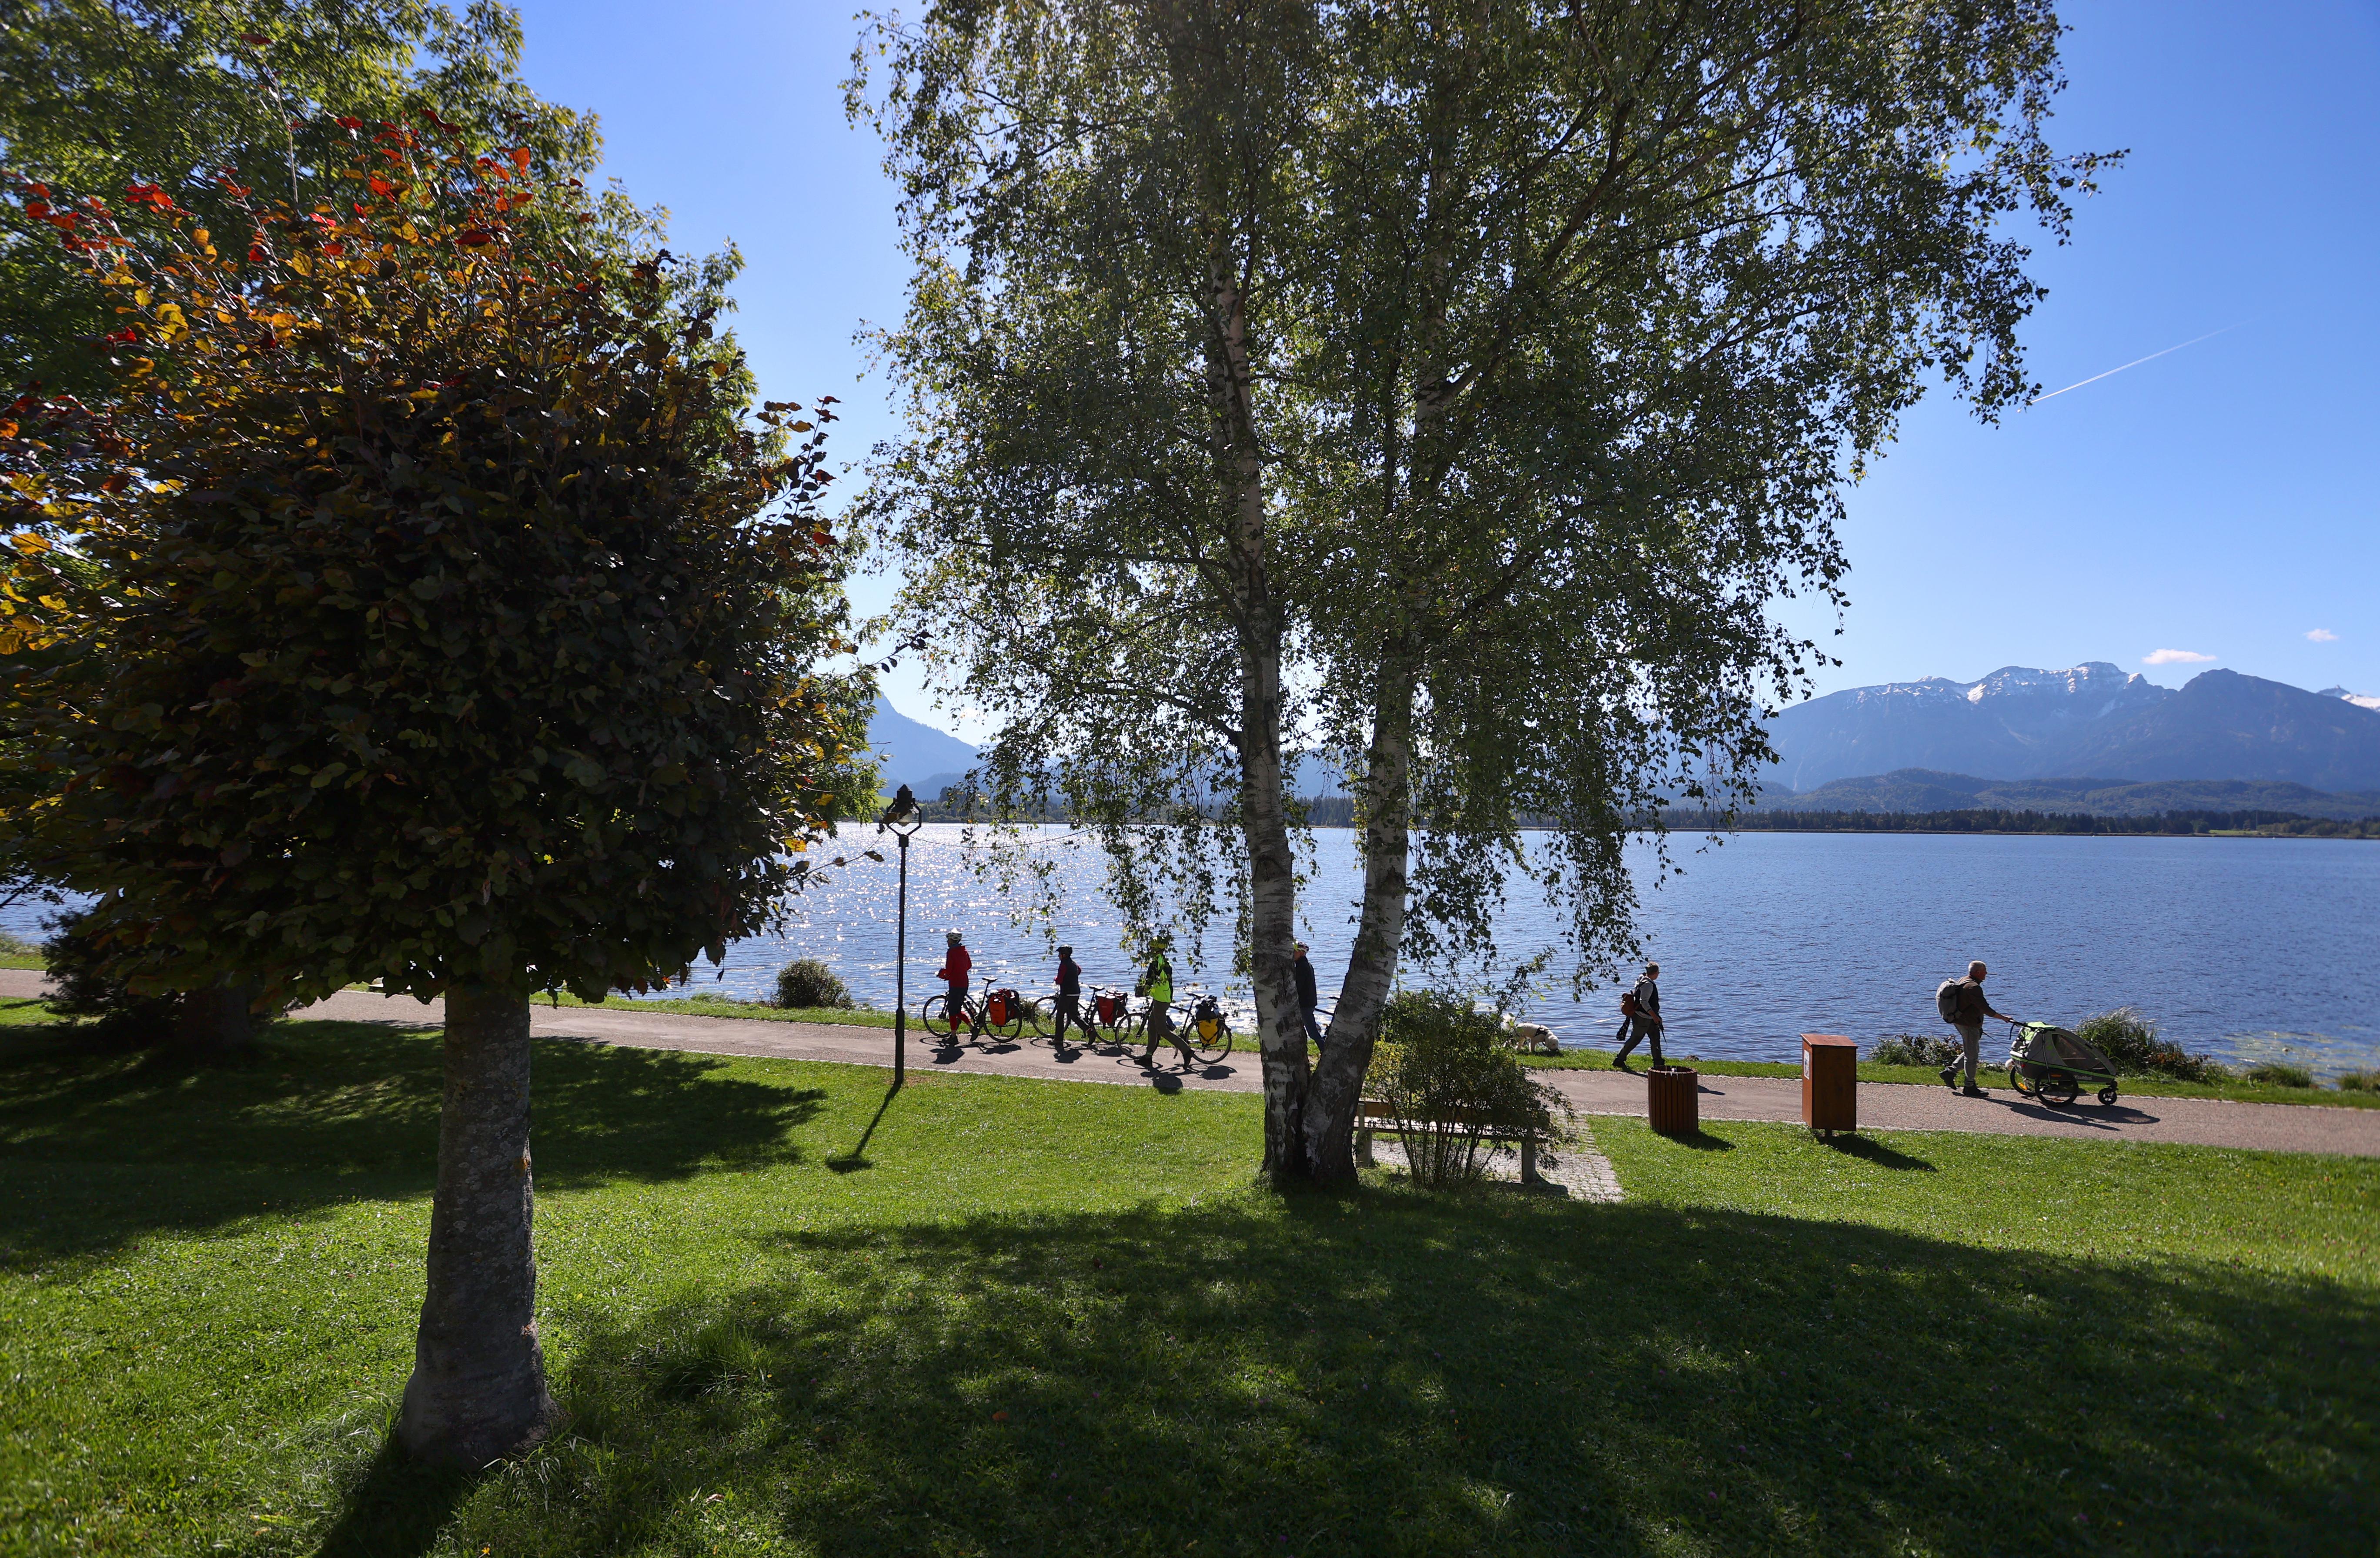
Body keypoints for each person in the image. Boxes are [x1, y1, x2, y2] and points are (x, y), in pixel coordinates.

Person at [1941, 960, 2016, 1096]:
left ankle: (1950, 1073)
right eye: (1985, 971)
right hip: (1968, 1025)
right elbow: (1986, 1009)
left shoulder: (1964, 980)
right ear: (1977, 973)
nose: (1987, 973)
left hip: (1964, 1022)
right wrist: (2004, 1018)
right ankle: (1969, 1087)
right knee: (1972, 1057)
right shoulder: (1973, 987)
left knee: (1972, 1051)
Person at [1137, 938, 1192, 1068]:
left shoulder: (1155, 964)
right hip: (1164, 998)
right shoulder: (1166, 963)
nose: (1150, 950)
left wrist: (1142, 990)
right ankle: (1148, 1057)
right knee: (1152, 1028)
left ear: (1155, 949)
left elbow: (1149, 983)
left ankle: (1186, 1050)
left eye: (1152, 948)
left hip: (1160, 1000)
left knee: (1162, 1030)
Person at [1612, 962, 1664, 1070]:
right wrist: (1655, 1016)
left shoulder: (1642, 979)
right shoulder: (1648, 985)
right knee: (1636, 1039)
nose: (1658, 974)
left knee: (1656, 1038)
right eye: (1658, 972)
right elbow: (1644, 1002)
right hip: (1643, 1018)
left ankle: (1658, 1064)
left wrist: (1656, 1016)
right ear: (1655, 973)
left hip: (1649, 1017)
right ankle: (1619, 1060)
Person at [936, 931, 973, 1037]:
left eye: (948, 940)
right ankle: (971, 1028)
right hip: (965, 983)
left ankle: (954, 1037)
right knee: (957, 1010)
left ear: (952, 941)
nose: (947, 942)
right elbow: (969, 965)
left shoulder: (951, 952)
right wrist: (960, 971)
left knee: (953, 1011)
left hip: (955, 984)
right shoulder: (964, 950)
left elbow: (949, 970)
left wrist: (945, 976)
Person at [1052, 944, 1085, 1053]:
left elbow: (1059, 981)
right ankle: (1089, 1031)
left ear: (1064, 955)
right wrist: (1071, 976)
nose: (1059, 956)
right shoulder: (1073, 963)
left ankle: (1058, 1039)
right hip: (1076, 993)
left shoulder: (1063, 965)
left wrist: (1056, 979)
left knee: (1060, 1016)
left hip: (1067, 994)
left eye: (1060, 954)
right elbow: (1079, 971)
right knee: (1075, 1016)